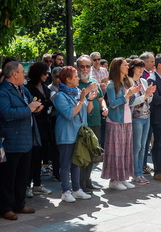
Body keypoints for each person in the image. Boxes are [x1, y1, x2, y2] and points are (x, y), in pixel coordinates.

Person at [0, 61, 43, 220]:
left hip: (26, 138)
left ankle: (19, 204)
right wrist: (29, 109)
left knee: (22, 175)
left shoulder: (23, 89)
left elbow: (28, 108)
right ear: (14, 74)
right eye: (22, 72)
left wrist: (35, 109)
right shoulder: (1, 92)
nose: (25, 75)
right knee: (8, 176)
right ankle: (6, 207)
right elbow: (6, 113)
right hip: (11, 140)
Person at [53, 66, 96, 202]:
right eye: (76, 76)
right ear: (68, 79)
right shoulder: (60, 96)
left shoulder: (77, 92)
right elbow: (69, 114)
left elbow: (87, 112)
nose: (78, 78)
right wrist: (82, 100)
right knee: (65, 164)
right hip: (66, 134)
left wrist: (89, 100)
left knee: (76, 162)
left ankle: (76, 189)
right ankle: (65, 191)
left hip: (78, 134)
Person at [101, 57, 139, 190]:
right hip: (115, 121)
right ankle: (114, 180)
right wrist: (127, 95)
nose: (128, 66)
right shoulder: (112, 84)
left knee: (125, 151)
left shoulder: (127, 81)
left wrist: (135, 94)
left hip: (127, 120)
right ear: (118, 67)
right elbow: (112, 104)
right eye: (125, 64)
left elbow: (130, 101)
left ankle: (123, 178)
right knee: (115, 152)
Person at [76, 55, 107, 193]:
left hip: (95, 122)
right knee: (82, 155)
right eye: (82, 66)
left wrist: (104, 107)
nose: (84, 69)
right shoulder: (75, 83)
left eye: (87, 66)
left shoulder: (94, 81)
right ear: (77, 67)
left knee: (92, 154)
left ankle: (88, 181)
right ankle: (80, 184)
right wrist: (88, 89)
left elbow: (101, 99)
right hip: (82, 124)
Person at [25, 62, 53, 197]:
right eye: (44, 73)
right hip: (34, 125)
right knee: (33, 157)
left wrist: (46, 102)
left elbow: (45, 102)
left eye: (48, 73)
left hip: (44, 124)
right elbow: (38, 103)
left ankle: (37, 184)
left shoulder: (45, 87)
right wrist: (47, 102)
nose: (47, 76)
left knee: (40, 156)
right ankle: (27, 185)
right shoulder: (28, 87)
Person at [128, 59, 156, 184]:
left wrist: (149, 94)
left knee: (143, 146)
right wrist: (145, 95)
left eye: (142, 68)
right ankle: (136, 173)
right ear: (132, 68)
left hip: (146, 116)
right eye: (139, 67)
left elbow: (148, 101)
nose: (141, 70)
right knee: (137, 146)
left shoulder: (144, 81)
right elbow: (131, 102)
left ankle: (139, 172)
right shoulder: (129, 82)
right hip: (135, 117)